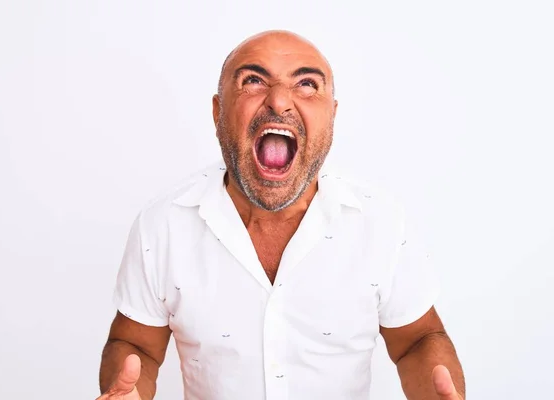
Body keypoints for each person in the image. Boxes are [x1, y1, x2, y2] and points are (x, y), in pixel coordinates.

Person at [97, 30, 465, 400]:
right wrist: (124, 391)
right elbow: (136, 343)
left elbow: (417, 339)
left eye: (307, 84)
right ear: (217, 111)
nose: (279, 101)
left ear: (332, 116)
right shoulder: (163, 224)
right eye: (253, 81)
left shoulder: (380, 221)